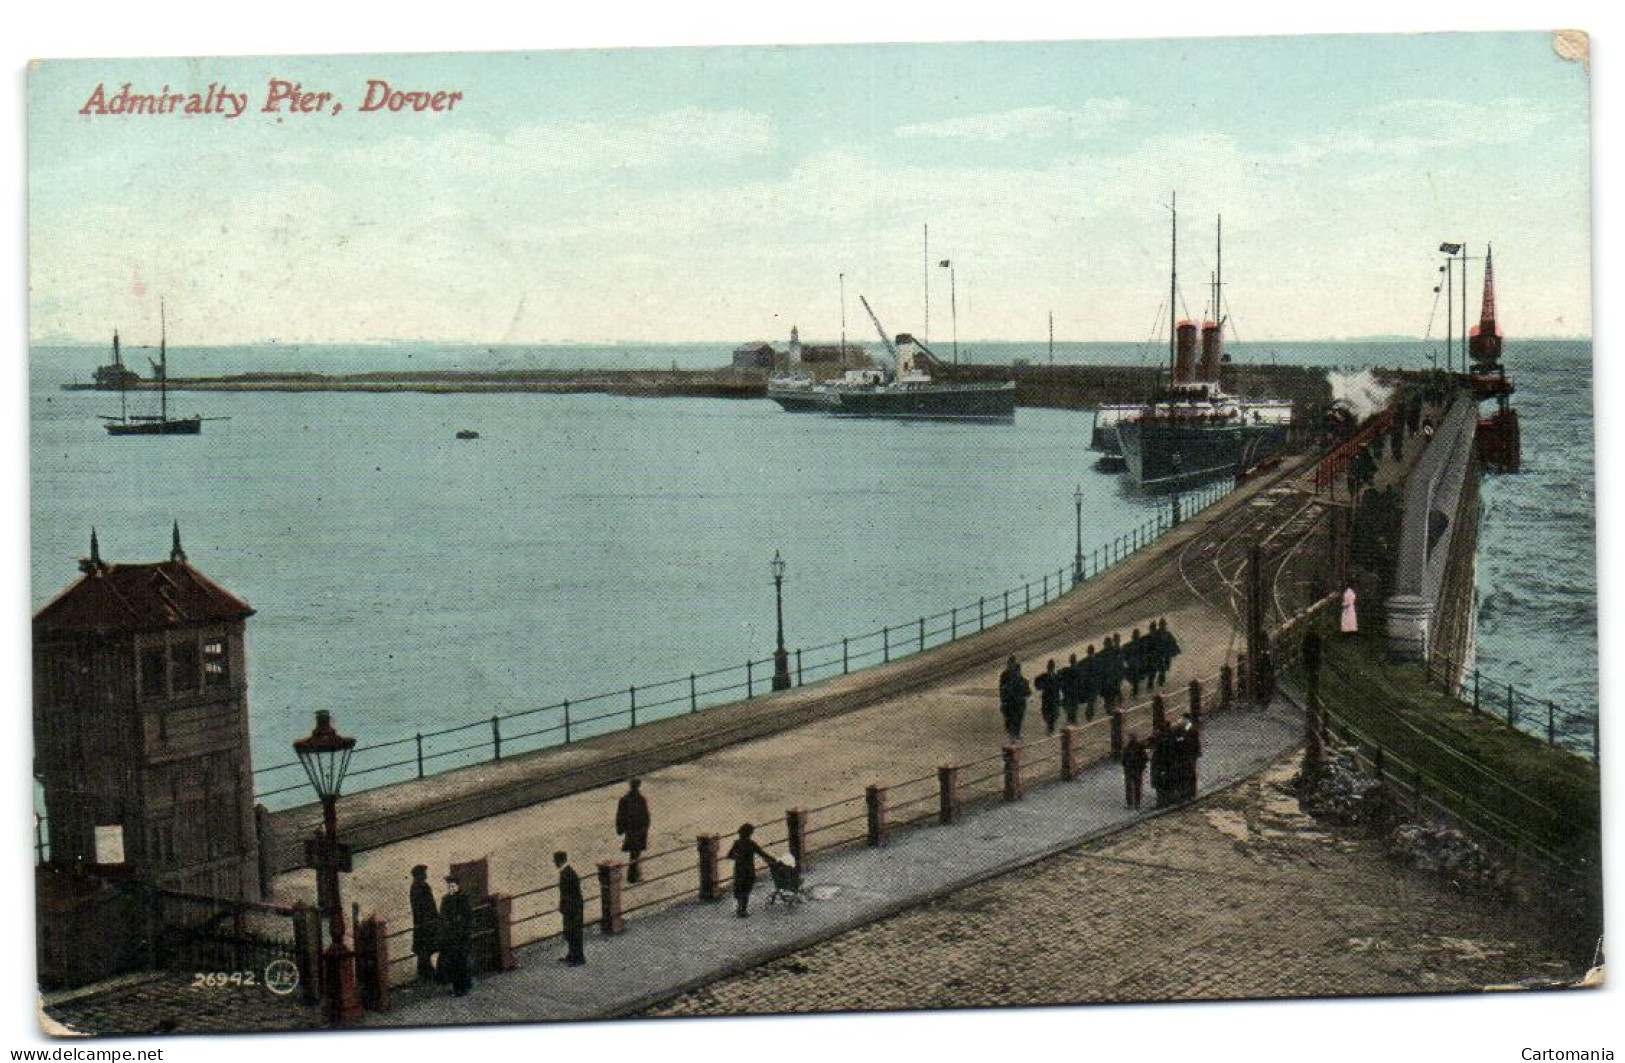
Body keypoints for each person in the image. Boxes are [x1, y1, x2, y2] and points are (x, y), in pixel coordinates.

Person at [438, 873, 474, 997]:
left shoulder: (464, 898)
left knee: (462, 961)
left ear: (458, 886)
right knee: (452, 963)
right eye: (449, 887)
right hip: (450, 937)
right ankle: (456, 986)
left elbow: (468, 917)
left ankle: (463, 987)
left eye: (453, 886)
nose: (451, 889)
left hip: (462, 936)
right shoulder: (446, 899)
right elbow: (442, 916)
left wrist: (463, 929)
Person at [726, 823, 772, 918]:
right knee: (746, 889)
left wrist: (738, 857)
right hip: (749, 869)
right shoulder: (751, 843)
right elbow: (761, 853)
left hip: (739, 869)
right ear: (750, 834)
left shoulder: (737, 843)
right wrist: (772, 860)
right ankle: (743, 909)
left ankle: (740, 908)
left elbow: (729, 855)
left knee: (740, 888)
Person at [409, 864, 440, 984]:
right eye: (424, 873)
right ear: (419, 875)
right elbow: (424, 906)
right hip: (425, 923)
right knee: (425, 947)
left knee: (425, 947)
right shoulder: (419, 887)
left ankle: (425, 971)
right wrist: (432, 918)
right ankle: (427, 972)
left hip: (424, 922)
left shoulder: (418, 886)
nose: (426, 874)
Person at [615, 778, 651, 884]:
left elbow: (620, 816)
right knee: (635, 853)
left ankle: (634, 876)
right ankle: (634, 876)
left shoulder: (625, 799)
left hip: (631, 830)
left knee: (634, 853)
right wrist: (645, 827)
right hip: (638, 830)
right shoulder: (641, 799)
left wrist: (620, 829)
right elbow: (646, 816)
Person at [555, 851, 586, 966]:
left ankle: (578, 958)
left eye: (555, 861)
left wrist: (565, 908)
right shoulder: (568, 872)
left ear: (559, 861)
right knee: (570, 932)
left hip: (572, 909)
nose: (555, 864)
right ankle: (572, 955)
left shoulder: (566, 874)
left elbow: (567, 894)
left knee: (574, 933)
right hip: (573, 907)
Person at [997, 656, 1030, 741]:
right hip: (1010, 701)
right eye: (1010, 664)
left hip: (1018, 701)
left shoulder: (1018, 675)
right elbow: (1002, 688)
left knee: (1018, 718)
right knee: (1010, 719)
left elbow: (1023, 686)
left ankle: (1016, 734)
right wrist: (1003, 699)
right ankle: (1012, 734)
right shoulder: (1005, 675)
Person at [1033, 659, 1062, 736]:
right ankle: (1050, 729)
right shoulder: (1044, 676)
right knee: (1048, 715)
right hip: (1047, 699)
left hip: (1053, 699)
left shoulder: (1056, 676)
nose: (1050, 668)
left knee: (1053, 716)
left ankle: (1050, 730)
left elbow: (1060, 687)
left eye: (1051, 667)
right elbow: (1037, 685)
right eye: (1050, 667)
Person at [1121, 733, 1148, 810]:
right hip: (1137, 770)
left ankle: (1130, 804)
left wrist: (1126, 766)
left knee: (1130, 787)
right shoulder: (1140, 747)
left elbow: (1123, 760)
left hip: (1130, 770)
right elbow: (1145, 758)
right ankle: (1137, 804)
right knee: (1137, 787)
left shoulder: (1127, 748)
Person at [1156, 618, 1180, 687]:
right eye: (1162, 625)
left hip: (1166, 653)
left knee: (1166, 667)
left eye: (1164, 625)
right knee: (1162, 668)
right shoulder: (1157, 633)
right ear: (1160, 625)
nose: (1163, 626)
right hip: (1159, 653)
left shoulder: (1167, 633)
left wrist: (1174, 649)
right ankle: (1161, 681)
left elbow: (1173, 641)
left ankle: (1161, 679)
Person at [1059, 653, 1082, 726]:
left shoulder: (1066, 670)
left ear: (1070, 661)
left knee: (1070, 708)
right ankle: (1074, 721)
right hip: (1075, 691)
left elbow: (1061, 678)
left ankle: (1070, 721)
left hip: (1068, 692)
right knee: (1074, 708)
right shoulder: (1079, 670)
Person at [1080, 644, 1100, 721]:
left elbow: (1083, 674)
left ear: (1088, 652)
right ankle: (1089, 715)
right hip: (1093, 684)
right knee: (1091, 700)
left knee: (1090, 700)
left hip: (1088, 684)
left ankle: (1089, 714)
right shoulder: (1096, 660)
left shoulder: (1084, 661)